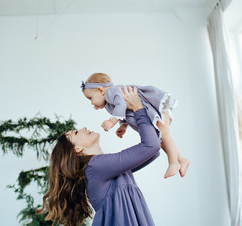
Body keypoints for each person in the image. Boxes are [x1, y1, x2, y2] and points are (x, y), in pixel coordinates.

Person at [37, 86, 160, 226]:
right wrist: (138, 108)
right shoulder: (96, 166)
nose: (83, 128)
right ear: (77, 148)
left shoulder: (100, 167)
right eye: (76, 133)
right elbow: (151, 146)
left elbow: (153, 150)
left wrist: (130, 117)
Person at [81, 72, 190, 178]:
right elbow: (126, 111)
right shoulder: (108, 102)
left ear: (100, 90)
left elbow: (121, 105)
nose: (91, 103)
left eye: (90, 98)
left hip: (154, 111)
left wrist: (111, 121)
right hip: (150, 114)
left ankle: (173, 162)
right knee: (162, 141)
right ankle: (181, 159)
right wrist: (123, 125)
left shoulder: (111, 92)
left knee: (165, 136)